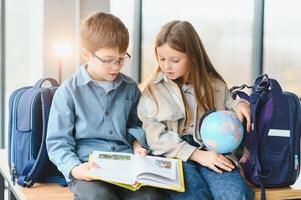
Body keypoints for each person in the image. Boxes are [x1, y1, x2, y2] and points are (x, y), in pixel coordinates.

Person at [46, 12, 164, 200]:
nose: (116, 66)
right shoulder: (68, 92)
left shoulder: (130, 87)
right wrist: (75, 169)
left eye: (121, 58)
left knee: (151, 197)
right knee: (99, 197)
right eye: (108, 60)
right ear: (87, 55)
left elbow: (136, 124)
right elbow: (58, 143)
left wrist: (137, 144)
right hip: (88, 169)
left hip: (126, 166)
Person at [137, 20, 254, 200]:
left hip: (213, 150)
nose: (166, 66)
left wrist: (239, 104)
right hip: (174, 155)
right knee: (194, 196)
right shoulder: (151, 91)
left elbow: (229, 103)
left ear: (192, 56)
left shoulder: (215, 85)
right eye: (161, 59)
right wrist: (196, 155)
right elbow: (156, 139)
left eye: (175, 60)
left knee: (235, 194)